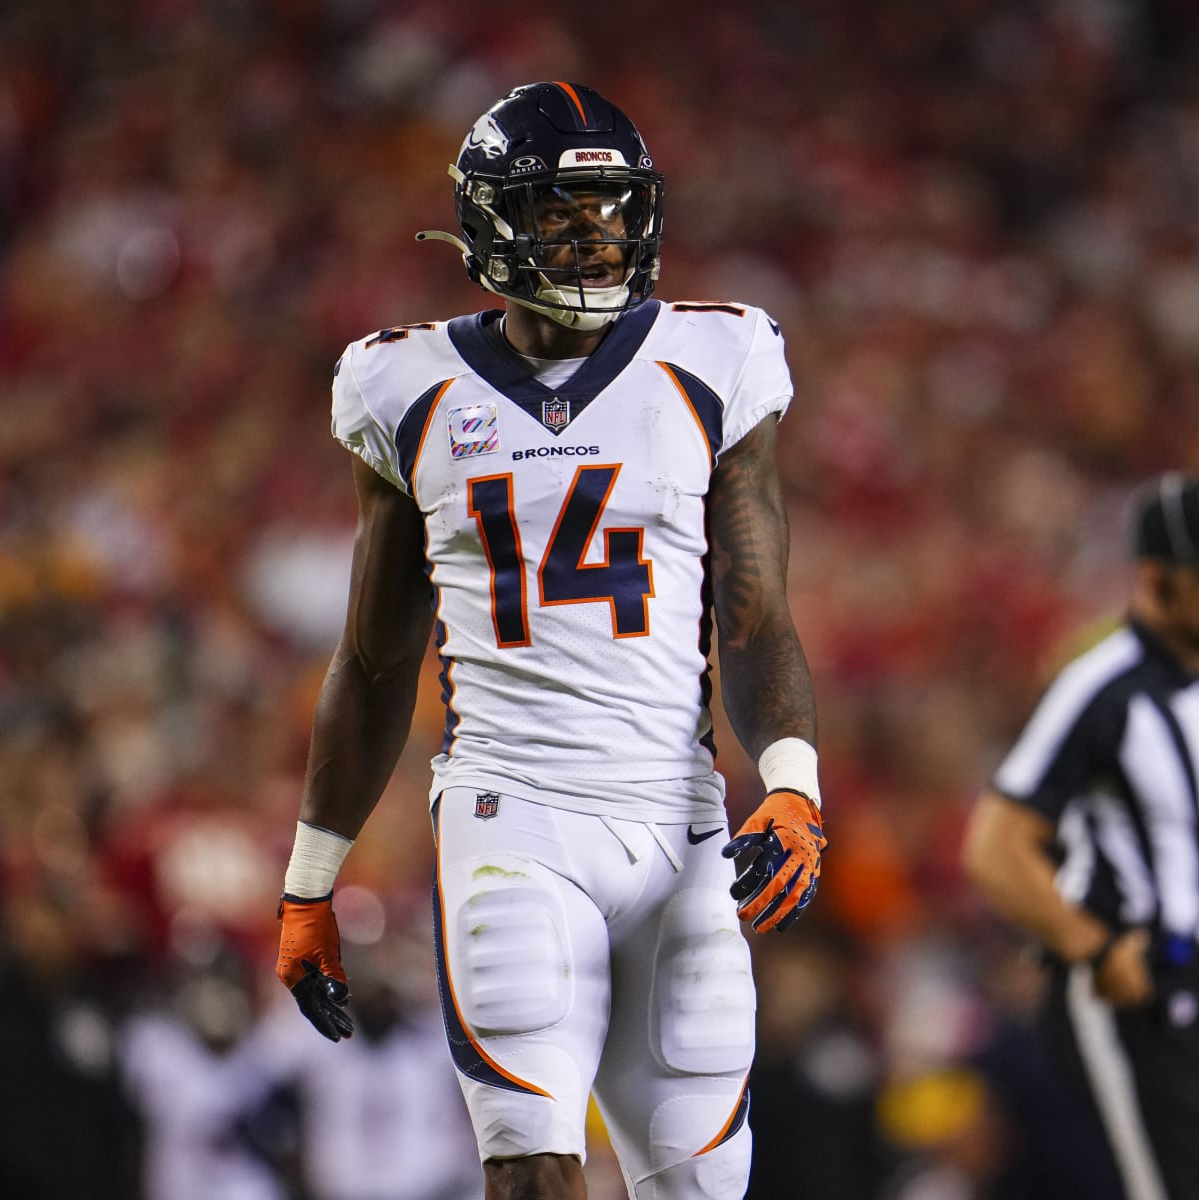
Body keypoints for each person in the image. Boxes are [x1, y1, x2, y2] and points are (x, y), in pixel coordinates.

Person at [268, 82, 826, 1200]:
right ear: (488, 222)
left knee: (703, 1186)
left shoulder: (717, 360)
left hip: (680, 823)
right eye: (561, 211)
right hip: (509, 814)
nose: (595, 234)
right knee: (530, 1168)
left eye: (612, 208)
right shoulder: (404, 384)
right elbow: (375, 661)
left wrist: (794, 782)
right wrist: (310, 881)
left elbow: (755, 614)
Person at [963, 473, 1199, 1200]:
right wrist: (1090, 945)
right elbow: (995, 847)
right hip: (1131, 995)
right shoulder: (1102, 689)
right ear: (1155, 579)